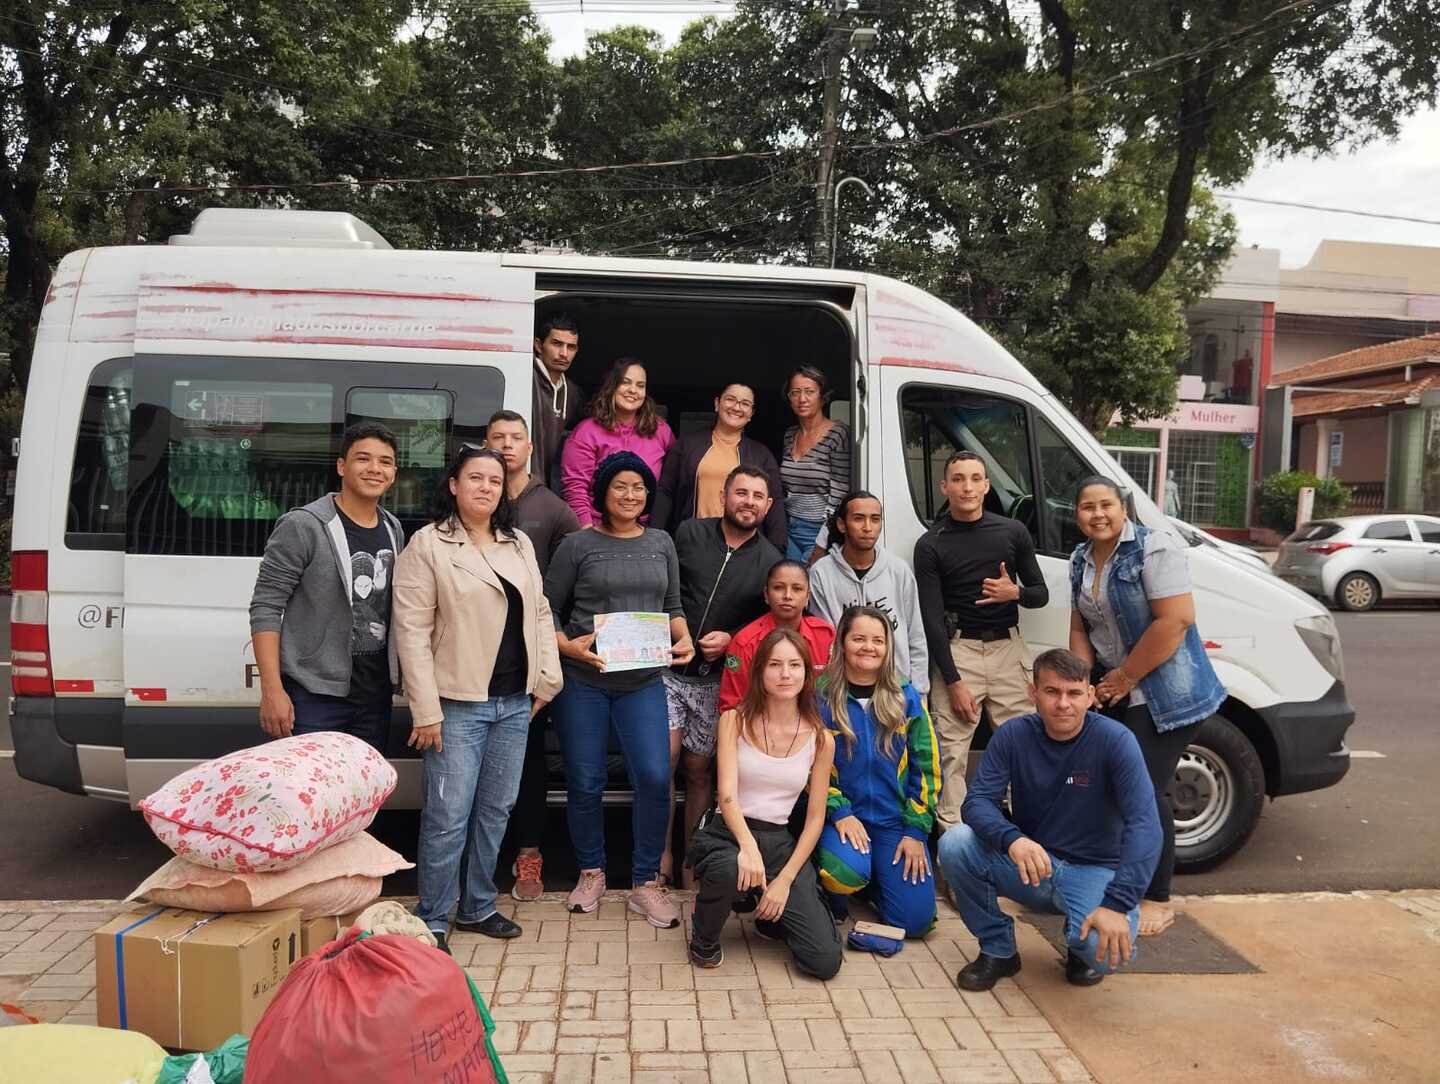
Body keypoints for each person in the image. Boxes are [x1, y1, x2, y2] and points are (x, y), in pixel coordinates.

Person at [392, 446, 562, 951]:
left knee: (496, 810)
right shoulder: (428, 545)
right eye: (475, 478)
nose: (486, 487)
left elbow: (540, 613)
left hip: (514, 702)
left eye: (495, 479)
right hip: (456, 704)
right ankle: (434, 916)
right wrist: (425, 710)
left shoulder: (518, 543)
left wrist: (547, 680)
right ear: (453, 485)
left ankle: (478, 905)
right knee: (448, 816)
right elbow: (412, 632)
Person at [936, 648, 1161, 990]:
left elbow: (1145, 826)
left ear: (1089, 696)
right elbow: (978, 801)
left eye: (1073, 693)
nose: (1063, 704)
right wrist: (1013, 839)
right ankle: (999, 950)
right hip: (1034, 865)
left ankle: (1079, 946)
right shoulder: (1013, 735)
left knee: (1103, 954)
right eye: (1052, 692)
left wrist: (1119, 902)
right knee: (955, 843)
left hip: (1094, 869)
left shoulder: (1116, 742)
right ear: (1033, 693)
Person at [1069, 476, 1227, 936]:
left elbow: (1176, 620)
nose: (1097, 514)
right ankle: (1114, 882)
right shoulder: (1081, 558)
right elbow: (1080, 629)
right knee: (1110, 786)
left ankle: (1157, 896)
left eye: (1105, 506)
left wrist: (1124, 677)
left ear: (1124, 508)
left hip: (1165, 692)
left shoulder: (1155, 548)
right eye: (1086, 507)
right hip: (1116, 688)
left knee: (1144, 792)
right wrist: (1082, 686)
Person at [544, 451, 695, 927]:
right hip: (584, 682)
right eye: (620, 487)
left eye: (639, 488)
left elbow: (672, 603)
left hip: (644, 682)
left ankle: (646, 883)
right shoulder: (577, 544)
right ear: (603, 493)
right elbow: (546, 607)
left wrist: (684, 636)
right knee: (585, 780)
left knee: (653, 777)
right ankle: (592, 872)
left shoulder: (661, 542)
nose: (630, 495)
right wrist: (567, 648)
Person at [686, 629, 843, 978]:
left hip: (780, 841)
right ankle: (704, 938)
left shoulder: (820, 739)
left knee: (825, 961)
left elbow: (815, 818)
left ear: (807, 674)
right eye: (774, 665)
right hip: (731, 831)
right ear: (759, 672)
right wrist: (747, 846)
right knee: (730, 868)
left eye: (794, 665)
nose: (785, 674)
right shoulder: (734, 721)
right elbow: (725, 794)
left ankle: (770, 913)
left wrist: (785, 879)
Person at [913, 451, 1049, 828]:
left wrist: (1015, 594)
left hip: (1009, 649)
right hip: (959, 652)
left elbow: (1040, 594)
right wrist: (953, 680)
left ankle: (1022, 839)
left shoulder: (1012, 532)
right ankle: (954, 851)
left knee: (1023, 747)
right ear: (945, 486)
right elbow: (931, 620)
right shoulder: (931, 544)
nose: (967, 487)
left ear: (987, 485)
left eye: (975, 478)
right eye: (958, 479)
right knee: (951, 755)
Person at [249, 422, 403, 750]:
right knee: (307, 796)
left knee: (362, 796)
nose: (375, 468)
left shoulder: (393, 528)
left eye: (385, 461)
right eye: (363, 459)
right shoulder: (303, 525)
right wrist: (272, 690)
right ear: (342, 466)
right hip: (314, 696)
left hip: (374, 695)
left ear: (393, 473)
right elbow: (266, 606)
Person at [665, 466, 782, 886]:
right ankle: (657, 865)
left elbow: (768, 622)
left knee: (699, 771)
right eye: (741, 493)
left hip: (718, 681)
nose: (748, 502)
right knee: (665, 763)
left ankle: (689, 868)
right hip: (668, 671)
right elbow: (664, 588)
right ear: (724, 496)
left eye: (757, 496)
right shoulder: (687, 534)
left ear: (768, 507)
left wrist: (732, 639)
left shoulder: (772, 560)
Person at [485, 410, 581, 902]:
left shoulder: (553, 509)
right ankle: (476, 863)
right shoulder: (472, 496)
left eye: (515, 438)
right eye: (497, 437)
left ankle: (528, 854)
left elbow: (566, 586)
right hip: (474, 652)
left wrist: (558, 644)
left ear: (529, 447)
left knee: (527, 760)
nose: (506, 445)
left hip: (530, 652)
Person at [816, 606, 941, 937]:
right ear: (842, 642)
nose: (868, 647)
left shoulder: (906, 696)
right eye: (858, 638)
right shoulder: (822, 696)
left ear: (888, 647)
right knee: (842, 874)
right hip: (843, 821)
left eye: (877, 640)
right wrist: (838, 811)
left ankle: (875, 883)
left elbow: (927, 769)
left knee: (916, 923)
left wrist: (916, 832)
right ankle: (842, 889)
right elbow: (809, 766)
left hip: (893, 824)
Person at [807, 491, 929, 694]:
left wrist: (919, 692)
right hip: (843, 691)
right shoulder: (821, 573)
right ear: (841, 524)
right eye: (858, 519)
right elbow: (824, 638)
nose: (867, 527)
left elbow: (915, 636)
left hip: (895, 689)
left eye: (875, 519)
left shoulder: (899, 571)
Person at [652, 382, 786, 548]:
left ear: (751, 413)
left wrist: (778, 550)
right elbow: (666, 491)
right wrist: (654, 537)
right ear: (717, 404)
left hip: (744, 548)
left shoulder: (762, 454)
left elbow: (775, 503)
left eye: (745, 404)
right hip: (694, 542)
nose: (737, 407)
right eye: (731, 399)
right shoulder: (687, 445)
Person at [561, 359, 675, 527]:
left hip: (645, 531)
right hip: (598, 529)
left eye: (640, 385)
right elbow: (575, 488)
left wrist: (656, 531)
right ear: (611, 386)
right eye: (625, 382)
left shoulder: (660, 430)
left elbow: (670, 484)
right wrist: (587, 533)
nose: (633, 390)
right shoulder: (587, 432)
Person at [719, 560, 835, 713]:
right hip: (760, 728)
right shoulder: (744, 642)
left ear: (808, 597)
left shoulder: (825, 635)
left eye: (797, 589)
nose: (787, 596)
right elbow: (731, 706)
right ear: (766, 595)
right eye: (779, 588)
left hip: (818, 723)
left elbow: (836, 692)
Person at [780, 366, 850, 564]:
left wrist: (822, 542)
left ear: (822, 396)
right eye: (795, 392)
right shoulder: (790, 435)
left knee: (808, 588)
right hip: (790, 526)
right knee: (790, 590)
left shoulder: (838, 434)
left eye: (809, 391)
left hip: (818, 529)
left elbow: (840, 494)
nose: (802, 399)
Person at [532, 312, 585, 488]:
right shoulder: (525, 378)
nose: (564, 353)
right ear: (539, 345)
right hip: (523, 487)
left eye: (571, 347)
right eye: (557, 344)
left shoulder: (574, 393)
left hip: (553, 491)